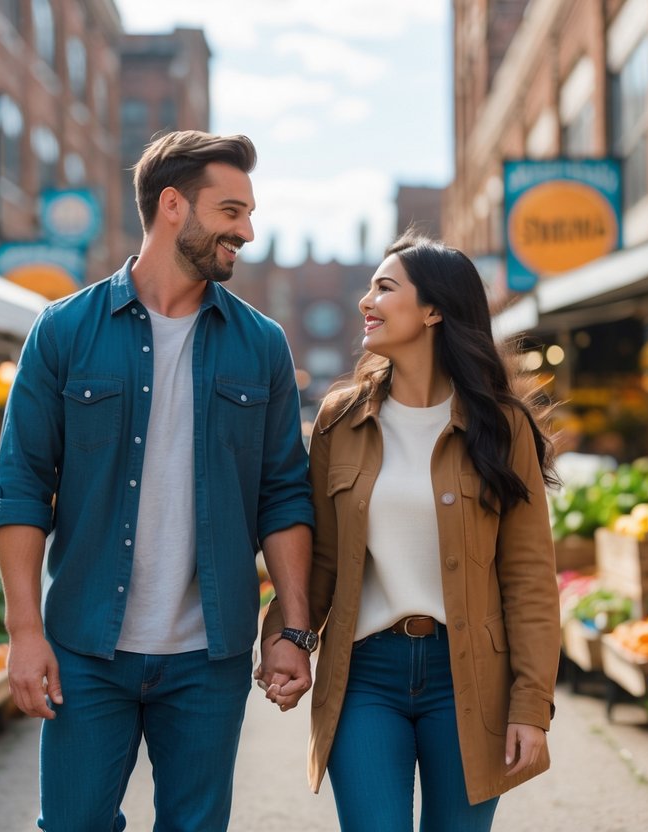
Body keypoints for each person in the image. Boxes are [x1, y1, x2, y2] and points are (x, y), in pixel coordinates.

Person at [0, 131, 314, 832]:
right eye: (230, 211)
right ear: (172, 206)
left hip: (208, 655)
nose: (246, 231)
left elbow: (283, 494)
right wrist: (23, 630)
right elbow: (19, 489)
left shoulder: (261, 345)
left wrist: (293, 627)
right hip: (84, 647)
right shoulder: (63, 331)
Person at [261, 233, 561, 831]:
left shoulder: (503, 427)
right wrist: (286, 636)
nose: (365, 301)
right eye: (369, 287)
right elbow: (321, 557)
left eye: (384, 287)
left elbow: (528, 576)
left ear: (434, 310)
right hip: (365, 674)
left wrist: (532, 704)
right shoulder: (339, 420)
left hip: (471, 677)